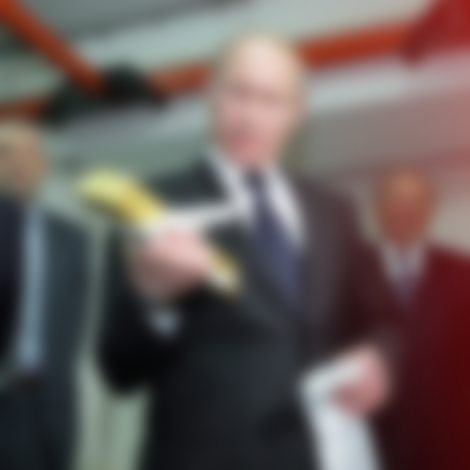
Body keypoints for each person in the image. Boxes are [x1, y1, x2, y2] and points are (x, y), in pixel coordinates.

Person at [98, 33, 394, 470]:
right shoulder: (150, 203)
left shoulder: (336, 212)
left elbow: (384, 319)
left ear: (296, 112)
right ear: (210, 94)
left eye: (271, 100)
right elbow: (117, 369)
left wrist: (381, 356)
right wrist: (154, 301)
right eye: (238, 93)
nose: (250, 116)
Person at [363, 168, 470, 470]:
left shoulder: (462, 272)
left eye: (417, 200)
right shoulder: (349, 268)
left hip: (448, 442)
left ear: (430, 210)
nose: (406, 209)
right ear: (378, 208)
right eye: (396, 199)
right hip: (371, 440)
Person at [0, 121, 90, 470]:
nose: (20, 162)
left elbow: (71, 331)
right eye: (6, 152)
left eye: (30, 153)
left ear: (45, 165)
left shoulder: (73, 239)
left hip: (47, 408)